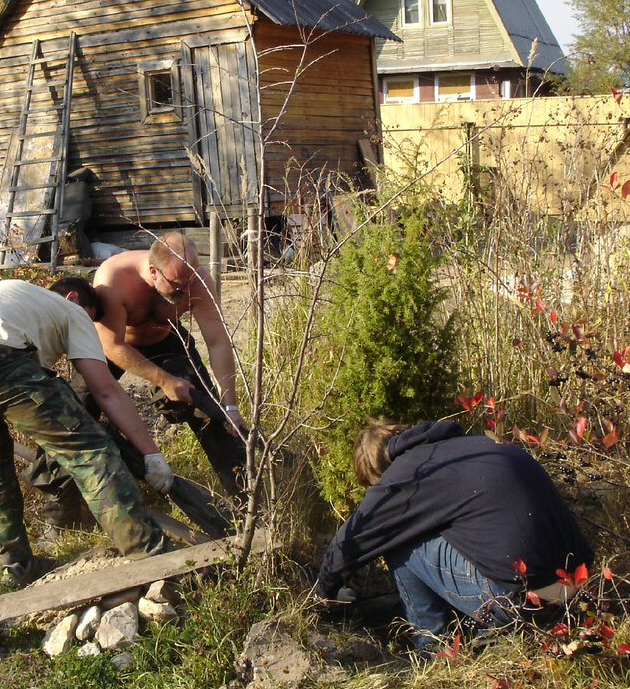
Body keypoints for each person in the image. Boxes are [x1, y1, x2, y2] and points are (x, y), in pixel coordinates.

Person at [0, 276, 177, 587]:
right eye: (94, 318)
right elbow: (105, 390)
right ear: (74, 299)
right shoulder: (74, 311)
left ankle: (17, 567)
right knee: (91, 452)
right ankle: (151, 559)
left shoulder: (17, 295)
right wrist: (151, 454)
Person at [314, 418, 594, 651]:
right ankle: (487, 631)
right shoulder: (475, 445)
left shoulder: (407, 474)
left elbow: (347, 545)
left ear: (381, 471)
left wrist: (321, 598)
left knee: (399, 539)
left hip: (518, 602)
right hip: (576, 587)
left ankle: (431, 646)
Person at [91, 232, 247, 500]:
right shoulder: (114, 278)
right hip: (113, 344)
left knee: (212, 414)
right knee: (77, 409)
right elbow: (113, 346)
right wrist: (165, 381)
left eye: (190, 281)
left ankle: (245, 499)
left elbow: (218, 342)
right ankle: (61, 510)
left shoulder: (196, 282)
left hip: (165, 339)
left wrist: (229, 406)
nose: (186, 291)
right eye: (177, 285)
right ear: (154, 271)